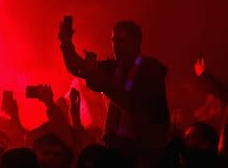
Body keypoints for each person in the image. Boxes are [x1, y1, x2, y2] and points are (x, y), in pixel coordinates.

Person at [59, 18, 170, 167]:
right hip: (116, 148)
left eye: (121, 41)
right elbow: (77, 67)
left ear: (136, 42)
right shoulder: (114, 67)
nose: (115, 46)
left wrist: (98, 76)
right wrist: (66, 44)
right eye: (114, 40)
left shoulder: (150, 69)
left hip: (144, 153)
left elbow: (132, 104)